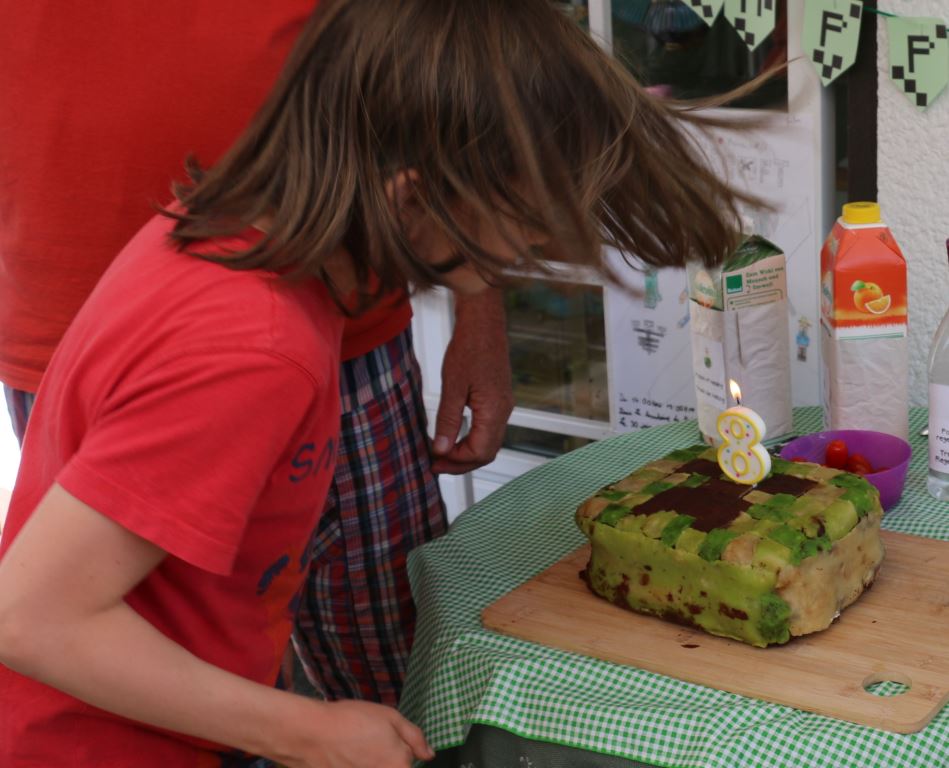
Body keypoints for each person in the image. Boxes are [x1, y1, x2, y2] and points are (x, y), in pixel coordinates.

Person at [0, 0, 763, 764]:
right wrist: (303, 729)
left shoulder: (242, 238)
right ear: (410, 195)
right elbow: (30, 617)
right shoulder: (255, 347)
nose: (522, 262)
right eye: (522, 234)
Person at [0, 1, 512, 706]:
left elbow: (451, 45)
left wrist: (478, 292)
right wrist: (295, 734)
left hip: (340, 311)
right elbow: (39, 622)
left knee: (389, 666)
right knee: (157, 664)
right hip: (86, 318)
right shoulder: (241, 339)